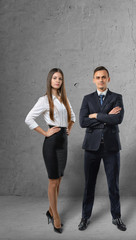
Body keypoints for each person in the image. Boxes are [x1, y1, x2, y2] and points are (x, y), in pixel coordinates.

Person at [25, 68, 76, 234]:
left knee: (59, 180)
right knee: (53, 181)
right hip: (51, 143)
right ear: (50, 80)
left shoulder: (64, 99)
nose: (57, 81)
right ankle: (55, 217)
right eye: (55, 78)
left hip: (63, 142)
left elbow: (73, 117)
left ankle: (50, 210)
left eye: (60, 78)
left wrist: (68, 128)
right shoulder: (44, 100)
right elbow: (29, 119)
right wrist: (45, 132)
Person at [78, 66, 126, 231]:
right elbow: (83, 122)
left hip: (111, 148)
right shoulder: (87, 99)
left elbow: (118, 119)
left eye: (103, 77)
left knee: (113, 184)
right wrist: (107, 117)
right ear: (93, 80)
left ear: (108, 79)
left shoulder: (117, 97)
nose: (101, 80)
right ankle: (85, 218)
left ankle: (116, 217)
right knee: (89, 184)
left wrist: (96, 115)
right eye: (97, 77)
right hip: (91, 147)